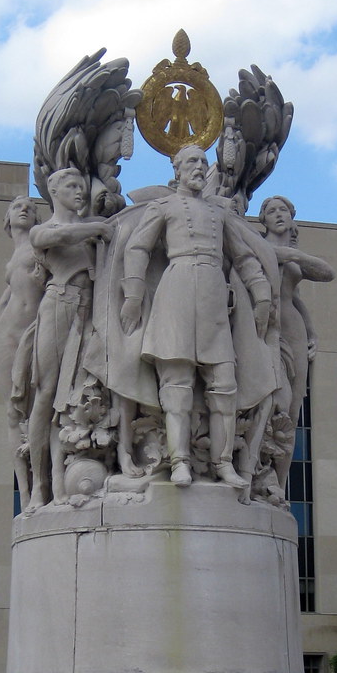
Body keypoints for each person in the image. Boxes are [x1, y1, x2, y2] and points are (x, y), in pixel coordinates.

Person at [120, 144, 271, 492]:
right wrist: (133, 294)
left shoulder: (220, 214)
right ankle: (179, 462)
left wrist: (260, 291)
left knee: (224, 385)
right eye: (192, 162)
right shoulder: (164, 206)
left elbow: (244, 256)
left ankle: (222, 463)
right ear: (177, 170)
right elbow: (138, 247)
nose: (199, 167)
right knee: (176, 384)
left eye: (203, 162)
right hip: (176, 288)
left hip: (214, 296)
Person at [25, 167, 114, 512]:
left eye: (82, 187)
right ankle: (41, 485)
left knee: (72, 399)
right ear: (54, 192)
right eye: (72, 186)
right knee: (47, 395)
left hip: (92, 312)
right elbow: (55, 238)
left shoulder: (91, 230)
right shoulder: (44, 229)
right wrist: (97, 228)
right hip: (60, 303)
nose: (79, 192)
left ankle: (71, 476)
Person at [258, 196, 334, 486]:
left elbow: (324, 276)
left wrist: (312, 331)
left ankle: (278, 482)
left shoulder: (293, 255)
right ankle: (257, 470)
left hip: (293, 327)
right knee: (270, 398)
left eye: (284, 211)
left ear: (292, 217)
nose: (278, 215)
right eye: (271, 211)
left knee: (293, 407)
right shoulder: (256, 245)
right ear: (262, 219)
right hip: (262, 325)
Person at [0, 197, 47, 507]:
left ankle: (42, 484)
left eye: (29, 206)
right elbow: (8, 297)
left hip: (35, 333)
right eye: (17, 207)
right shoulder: (12, 259)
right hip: (8, 338)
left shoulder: (41, 244)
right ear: (8, 220)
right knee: (14, 415)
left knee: (42, 407)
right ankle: (25, 493)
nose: (24, 208)